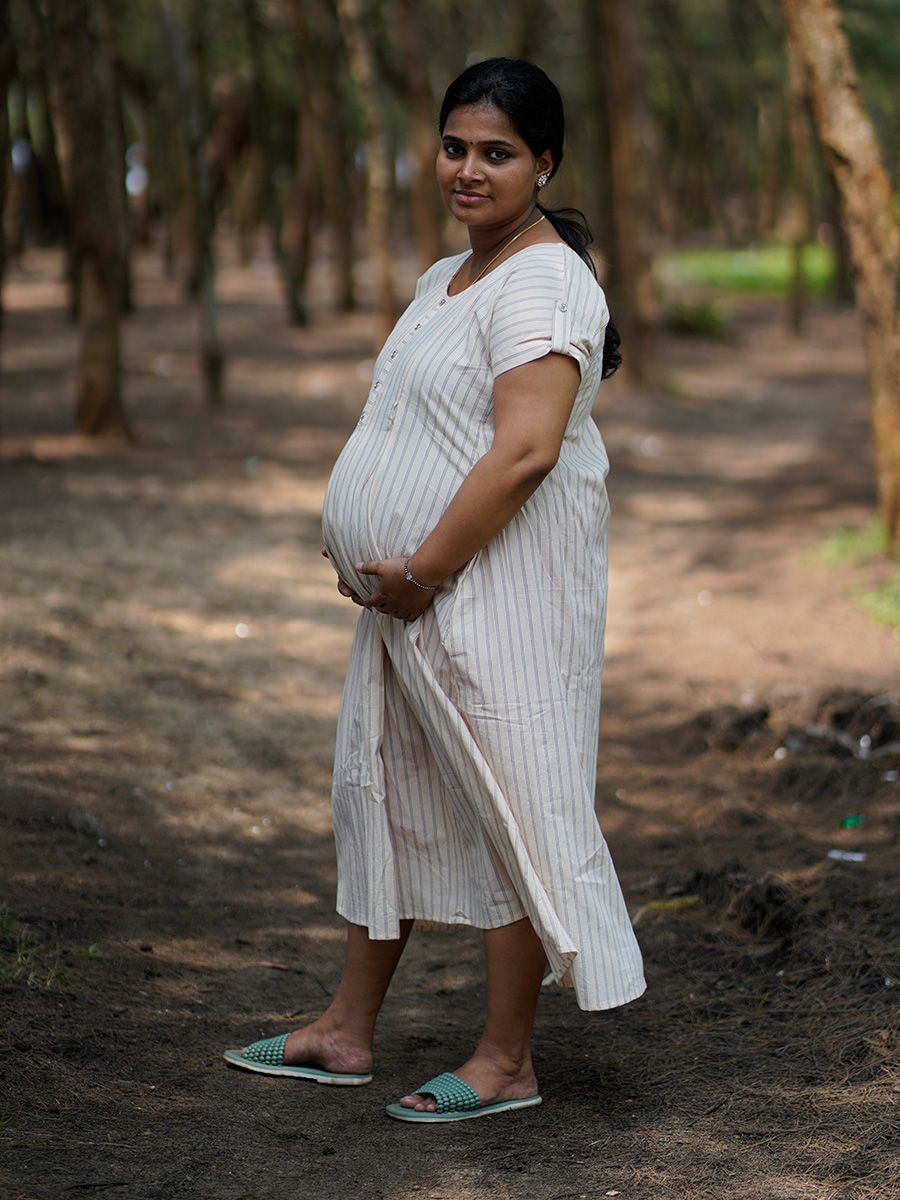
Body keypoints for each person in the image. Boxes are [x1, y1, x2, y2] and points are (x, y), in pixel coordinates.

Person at [224, 57, 646, 1123]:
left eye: (497, 153)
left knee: (510, 805)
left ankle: (507, 1060)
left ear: (544, 164)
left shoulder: (545, 281)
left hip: (498, 592)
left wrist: (421, 568)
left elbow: (526, 452)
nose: (468, 169)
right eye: (455, 147)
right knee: (389, 791)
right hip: (421, 598)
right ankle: (346, 1029)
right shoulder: (446, 276)